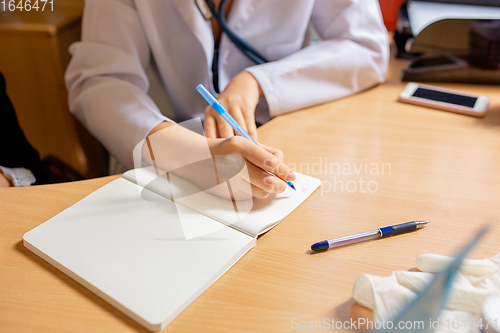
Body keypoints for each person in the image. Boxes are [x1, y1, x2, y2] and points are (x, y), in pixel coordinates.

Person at [65, 0, 389, 198]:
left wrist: (258, 81)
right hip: (160, 148)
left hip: (279, 133)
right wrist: (186, 154)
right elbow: (99, 80)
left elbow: (367, 47)